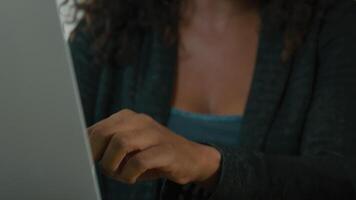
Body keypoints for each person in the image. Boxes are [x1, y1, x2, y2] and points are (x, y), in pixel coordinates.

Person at [67, 0, 356, 199]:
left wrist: (205, 163)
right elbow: (47, 159)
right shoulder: (108, 22)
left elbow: (339, 182)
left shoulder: (335, 20)